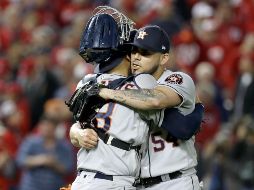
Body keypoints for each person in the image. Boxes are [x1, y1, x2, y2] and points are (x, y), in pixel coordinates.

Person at [98, 25, 202, 189]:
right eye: (134, 51)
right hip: (137, 184)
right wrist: (78, 132)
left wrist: (109, 93)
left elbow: (155, 100)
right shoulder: (126, 86)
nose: (136, 57)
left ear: (163, 58)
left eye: (145, 53)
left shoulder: (178, 79)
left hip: (175, 182)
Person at [68, 10, 163, 190]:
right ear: (128, 54)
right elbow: (76, 128)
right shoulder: (143, 82)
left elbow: (75, 129)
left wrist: (78, 133)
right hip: (113, 182)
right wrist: (78, 134)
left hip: (86, 182)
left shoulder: (87, 82)